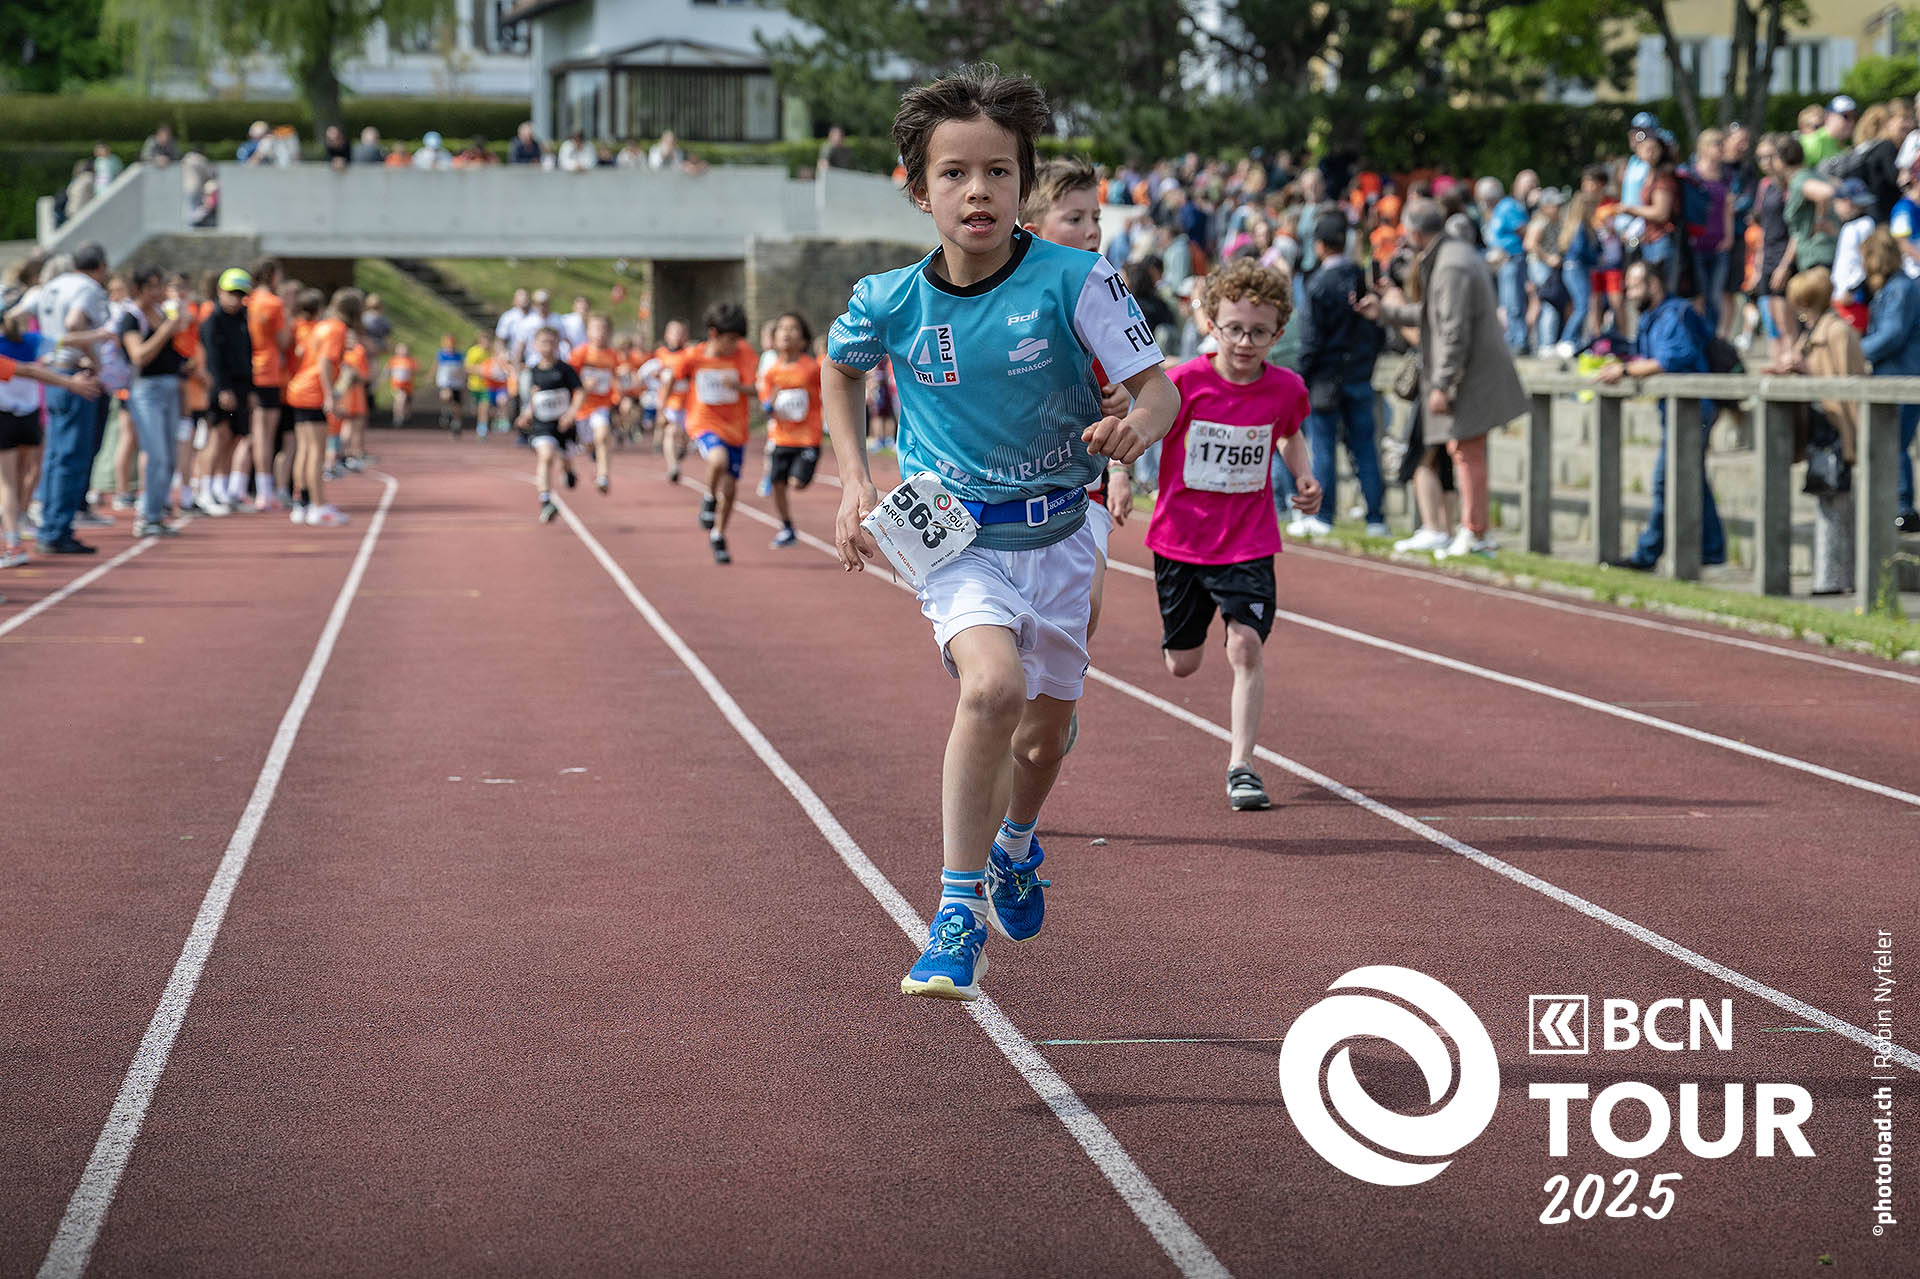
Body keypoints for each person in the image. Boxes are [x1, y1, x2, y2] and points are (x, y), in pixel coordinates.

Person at [825, 65, 1177, 1001]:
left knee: (1044, 738)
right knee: (991, 688)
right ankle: (955, 913)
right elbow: (840, 368)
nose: (976, 191)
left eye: (997, 172)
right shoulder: (890, 299)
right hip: (952, 537)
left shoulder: (1078, 279)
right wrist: (856, 478)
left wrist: (1137, 429)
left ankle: (1018, 843)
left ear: (1024, 184)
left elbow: (1158, 391)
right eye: (954, 173)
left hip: (1061, 533)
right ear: (919, 189)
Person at [1146, 259, 1320, 811]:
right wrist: (1120, 476)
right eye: (1235, 329)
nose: (1246, 342)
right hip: (1180, 541)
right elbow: (1138, 428)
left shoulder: (1286, 389)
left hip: (1248, 542)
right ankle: (1190, 636)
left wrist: (1304, 475)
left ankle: (1241, 765)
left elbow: (1290, 433)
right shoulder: (1182, 384)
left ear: (1278, 333)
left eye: (1259, 332)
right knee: (1182, 664)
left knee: (1245, 646)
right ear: (1212, 325)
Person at [1358, 199, 1527, 560]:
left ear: (1415, 231)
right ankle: (1474, 529)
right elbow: (1435, 314)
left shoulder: (1450, 264)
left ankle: (1475, 531)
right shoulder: (1454, 255)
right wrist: (1386, 312)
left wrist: (1441, 384)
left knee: (1466, 452)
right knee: (1463, 451)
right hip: (1472, 370)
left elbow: (1452, 331)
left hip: (1469, 374)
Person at [1020, 154, 1133, 658]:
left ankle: (1047, 695)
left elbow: (1129, 391)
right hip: (1012, 488)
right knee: (1019, 621)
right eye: (1074, 218)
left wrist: (1122, 467)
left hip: (1084, 485)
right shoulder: (1007, 302)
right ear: (1033, 231)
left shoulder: (1107, 294)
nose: (1092, 231)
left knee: (1085, 606)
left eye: (1096, 218)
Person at [1594, 259, 1726, 571]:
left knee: (1665, 479)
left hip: (1694, 410)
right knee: (1691, 477)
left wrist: (1626, 370)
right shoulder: (1650, 318)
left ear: (1653, 285)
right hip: (1673, 410)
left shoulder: (1675, 314)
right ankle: (1712, 549)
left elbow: (1671, 359)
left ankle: (1648, 553)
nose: (1628, 293)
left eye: (1634, 286)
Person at [1768, 266, 1862, 594]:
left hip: (1837, 429)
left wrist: (1805, 368)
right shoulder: (1813, 332)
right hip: (1819, 429)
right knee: (1827, 502)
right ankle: (1830, 577)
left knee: (1837, 505)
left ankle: (1835, 580)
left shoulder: (1837, 332)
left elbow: (1847, 384)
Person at [1296, 217, 1386, 536]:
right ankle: (1376, 518)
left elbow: (1311, 338)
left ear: (1320, 245)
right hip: (1358, 373)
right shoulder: (1362, 278)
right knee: (1365, 448)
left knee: (1323, 448)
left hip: (1325, 377)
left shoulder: (1318, 284)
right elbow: (1377, 330)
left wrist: (1302, 375)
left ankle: (1324, 515)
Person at [34, 242, 126, 554]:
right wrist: (94, 359)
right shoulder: (87, 288)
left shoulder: (52, 285)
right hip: (74, 373)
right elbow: (74, 322)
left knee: (55, 454)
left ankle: (51, 523)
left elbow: (22, 315)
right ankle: (57, 529)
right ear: (100, 266)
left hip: (54, 371)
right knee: (72, 455)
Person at [2, 312, 102, 564]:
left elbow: (27, 369)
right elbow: (30, 369)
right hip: (26, 416)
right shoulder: (30, 340)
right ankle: (16, 532)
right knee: (24, 475)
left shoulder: (26, 341)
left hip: (8, 417)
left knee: (9, 482)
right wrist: (70, 382)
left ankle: (14, 535)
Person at [673, 300, 759, 563]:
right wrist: (672, 418)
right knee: (717, 459)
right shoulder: (693, 357)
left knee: (730, 489)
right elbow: (675, 378)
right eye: (729, 340)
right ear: (713, 334)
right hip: (704, 422)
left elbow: (757, 389)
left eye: (737, 340)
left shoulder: (744, 354)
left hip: (736, 428)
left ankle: (718, 534)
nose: (734, 345)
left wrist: (738, 387)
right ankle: (709, 498)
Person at [118, 267, 189, 537]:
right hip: (146, 391)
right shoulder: (131, 318)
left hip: (170, 388)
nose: (158, 292)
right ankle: (147, 515)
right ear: (138, 289)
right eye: (152, 286)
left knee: (170, 456)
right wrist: (166, 330)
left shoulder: (161, 313)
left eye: (160, 286)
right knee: (156, 454)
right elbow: (139, 355)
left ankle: (156, 515)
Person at [1858, 230, 1920, 533]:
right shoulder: (1893, 288)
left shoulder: (1900, 289)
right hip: (1893, 375)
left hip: (1903, 376)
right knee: (1891, 442)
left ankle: (1902, 509)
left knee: (1895, 442)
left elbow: (1892, 335)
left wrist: (1855, 351)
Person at [282, 286, 360, 527]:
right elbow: (325, 362)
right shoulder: (337, 329)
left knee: (305, 450)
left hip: (300, 388)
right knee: (316, 451)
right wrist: (330, 395)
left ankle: (302, 502)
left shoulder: (322, 325)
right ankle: (318, 505)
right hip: (313, 392)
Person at [756, 312, 824, 547]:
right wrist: (768, 404)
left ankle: (804, 471)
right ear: (774, 339)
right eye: (782, 328)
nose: (786, 332)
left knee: (797, 483)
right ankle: (786, 527)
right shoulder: (772, 372)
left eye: (793, 328)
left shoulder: (812, 368)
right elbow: (766, 403)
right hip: (781, 437)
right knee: (777, 483)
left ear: (803, 340)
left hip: (807, 438)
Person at [194, 267, 253, 515]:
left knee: (232, 438)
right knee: (217, 437)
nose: (235, 299)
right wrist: (222, 389)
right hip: (221, 388)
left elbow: (247, 354)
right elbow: (213, 360)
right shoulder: (213, 321)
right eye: (231, 293)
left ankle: (221, 487)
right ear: (220, 291)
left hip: (241, 386)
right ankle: (204, 491)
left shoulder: (242, 319)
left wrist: (249, 388)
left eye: (240, 294)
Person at [518, 325, 582, 523]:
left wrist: (570, 414)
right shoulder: (531, 373)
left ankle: (568, 470)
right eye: (543, 342)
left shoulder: (565, 370)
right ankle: (546, 500)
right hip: (542, 425)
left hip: (564, 425)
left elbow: (580, 392)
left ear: (557, 345)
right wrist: (526, 414)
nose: (547, 346)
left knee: (564, 457)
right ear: (535, 345)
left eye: (551, 342)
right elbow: (530, 399)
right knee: (546, 457)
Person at [243, 258, 292, 510]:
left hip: (248, 368)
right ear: (272, 274)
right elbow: (283, 341)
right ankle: (265, 489)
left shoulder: (247, 301)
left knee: (253, 432)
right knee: (266, 433)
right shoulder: (274, 303)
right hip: (269, 370)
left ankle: (247, 486)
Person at [568, 313, 622, 493]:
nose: (600, 333)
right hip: (582, 406)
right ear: (588, 331)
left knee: (603, 435)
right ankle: (592, 450)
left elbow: (616, 377)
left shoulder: (613, 355)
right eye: (596, 328)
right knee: (588, 442)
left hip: (602, 405)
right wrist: (583, 384)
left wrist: (619, 394)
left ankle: (603, 476)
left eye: (604, 329)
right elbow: (569, 377)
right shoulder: (580, 353)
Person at [1829, 178, 1878, 330]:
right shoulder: (1849, 226)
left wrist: (1853, 291)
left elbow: (1865, 262)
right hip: (1841, 295)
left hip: (1853, 297)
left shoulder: (1864, 225)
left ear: (1847, 202)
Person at [650, 318, 692, 482]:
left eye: (681, 333)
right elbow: (652, 371)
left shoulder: (689, 354)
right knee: (670, 432)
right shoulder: (660, 354)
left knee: (683, 436)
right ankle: (673, 466)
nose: (677, 336)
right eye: (674, 332)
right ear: (667, 335)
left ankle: (682, 448)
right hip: (670, 402)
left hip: (688, 403)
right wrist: (657, 375)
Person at [434, 333, 465, 433]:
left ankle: (456, 422)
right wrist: (432, 377)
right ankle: (445, 411)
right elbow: (436, 366)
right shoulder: (441, 354)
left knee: (457, 404)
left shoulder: (459, 355)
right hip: (445, 382)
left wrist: (464, 380)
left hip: (457, 383)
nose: (450, 348)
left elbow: (463, 369)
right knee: (446, 395)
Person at [387, 341, 416, 427]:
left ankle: (406, 416)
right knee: (400, 399)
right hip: (397, 386)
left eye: (404, 349)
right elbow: (388, 371)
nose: (403, 351)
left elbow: (414, 372)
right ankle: (397, 417)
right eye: (400, 349)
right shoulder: (393, 360)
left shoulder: (410, 361)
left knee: (407, 402)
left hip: (408, 386)